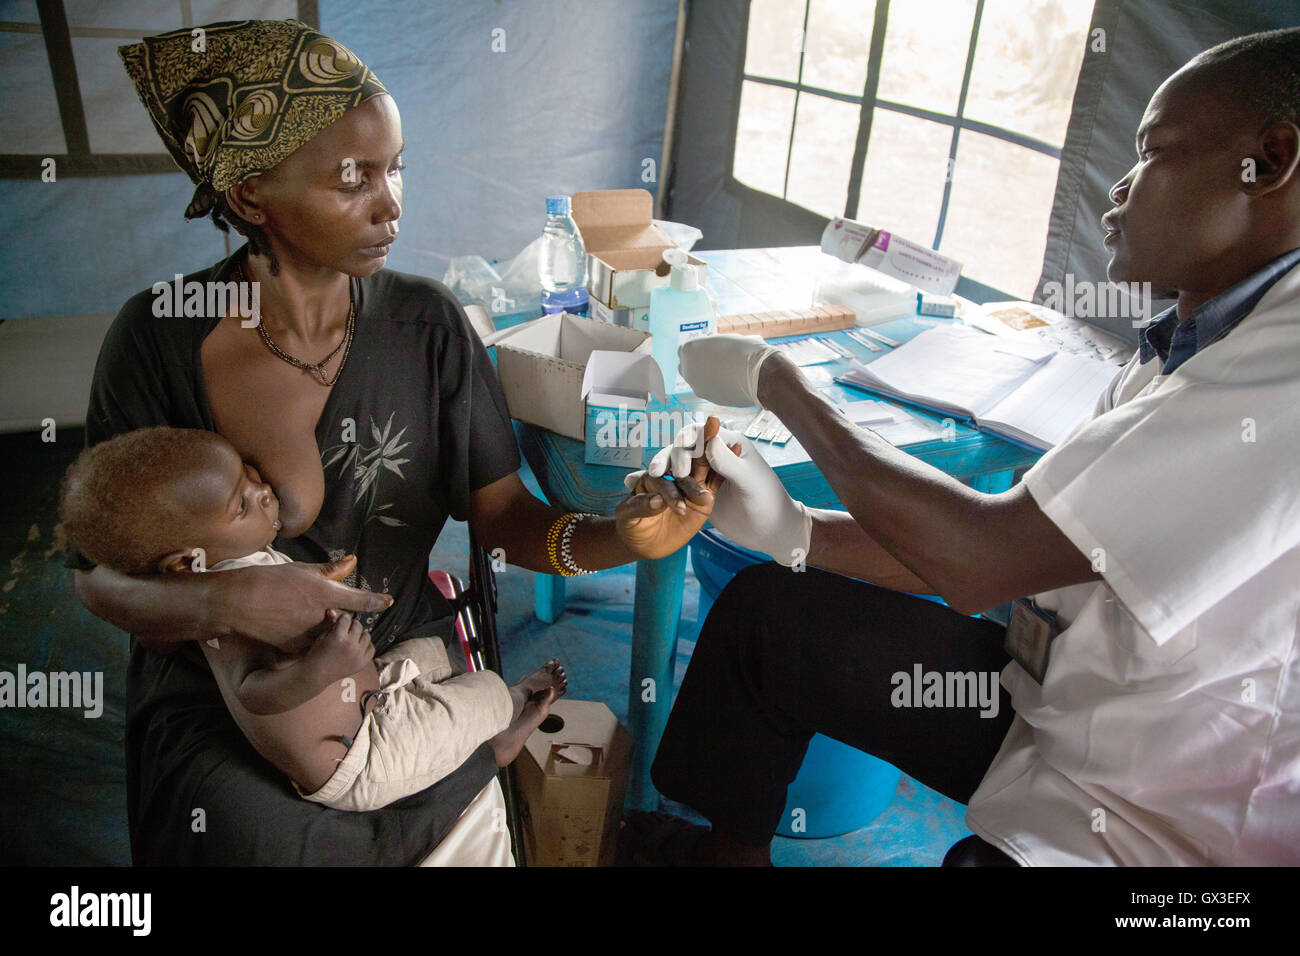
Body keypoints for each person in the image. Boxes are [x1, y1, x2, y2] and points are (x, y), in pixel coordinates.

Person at [623, 28, 1300, 866]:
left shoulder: (1285, 374)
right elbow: (1030, 553)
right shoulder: (1187, 342)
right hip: (1061, 712)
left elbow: (984, 555)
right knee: (773, 615)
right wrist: (795, 530)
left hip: (1172, 830)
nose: (1117, 191)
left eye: (1153, 151)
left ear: (1268, 162)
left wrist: (778, 381)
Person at [72, 19, 717, 865]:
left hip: (402, 664)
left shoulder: (427, 327)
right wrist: (223, 604)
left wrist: (616, 541)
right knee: (252, 835)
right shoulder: (157, 338)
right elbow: (97, 578)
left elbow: (506, 519)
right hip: (232, 687)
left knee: (455, 810)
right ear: (252, 195)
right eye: (354, 180)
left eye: (396, 168)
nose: (392, 204)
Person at [60, 425, 571, 812]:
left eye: (250, 474)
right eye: (241, 505)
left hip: (370, 701)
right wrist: (324, 667)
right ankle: (502, 734)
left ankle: (456, 724)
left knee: (432, 654)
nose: (263, 492)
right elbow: (253, 693)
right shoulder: (220, 613)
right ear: (184, 561)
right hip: (359, 760)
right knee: (483, 690)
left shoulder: (237, 563)